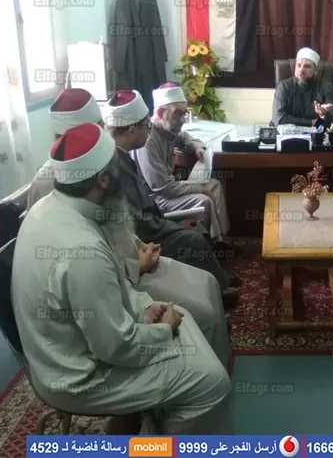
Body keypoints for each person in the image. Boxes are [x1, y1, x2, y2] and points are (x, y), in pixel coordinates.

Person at [12, 123, 232, 435]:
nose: (121, 173)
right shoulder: (82, 252)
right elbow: (116, 348)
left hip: (73, 346)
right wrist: (163, 330)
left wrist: (143, 309)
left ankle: (154, 420)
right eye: (116, 167)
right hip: (82, 376)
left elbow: (107, 284)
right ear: (102, 179)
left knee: (189, 319)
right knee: (211, 383)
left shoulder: (51, 207)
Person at [101, 89, 231, 363]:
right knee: (193, 240)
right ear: (133, 129)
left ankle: (219, 287)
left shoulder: (122, 153)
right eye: (146, 126)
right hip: (143, 231)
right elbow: (139, 216)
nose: (150, 129)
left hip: (148, 218)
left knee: (198, 240)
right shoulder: (116, 163)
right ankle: (220, 295)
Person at [132, 83, 230, 246]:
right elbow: (164, 189)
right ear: (160, 113)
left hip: (169, 188)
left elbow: (184, 136)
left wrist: (196, 146)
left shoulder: (167, 129)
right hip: (156, 199)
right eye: (178, 113)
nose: (183, 119)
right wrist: (200, 189)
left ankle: (220, 239)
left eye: (185, 113)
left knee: (214, 185)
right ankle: (208, 244)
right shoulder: (148, 140)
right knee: (203, 200)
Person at [271, 47, 333, 128]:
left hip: (317, 133)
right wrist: (312, 122)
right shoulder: (284, 87)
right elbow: (279, 119)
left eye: (307, 66)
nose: (301, 70)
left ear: (315, 70)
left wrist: (324, 115)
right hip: (289, 134)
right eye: (298, 65)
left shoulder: (326, 87)